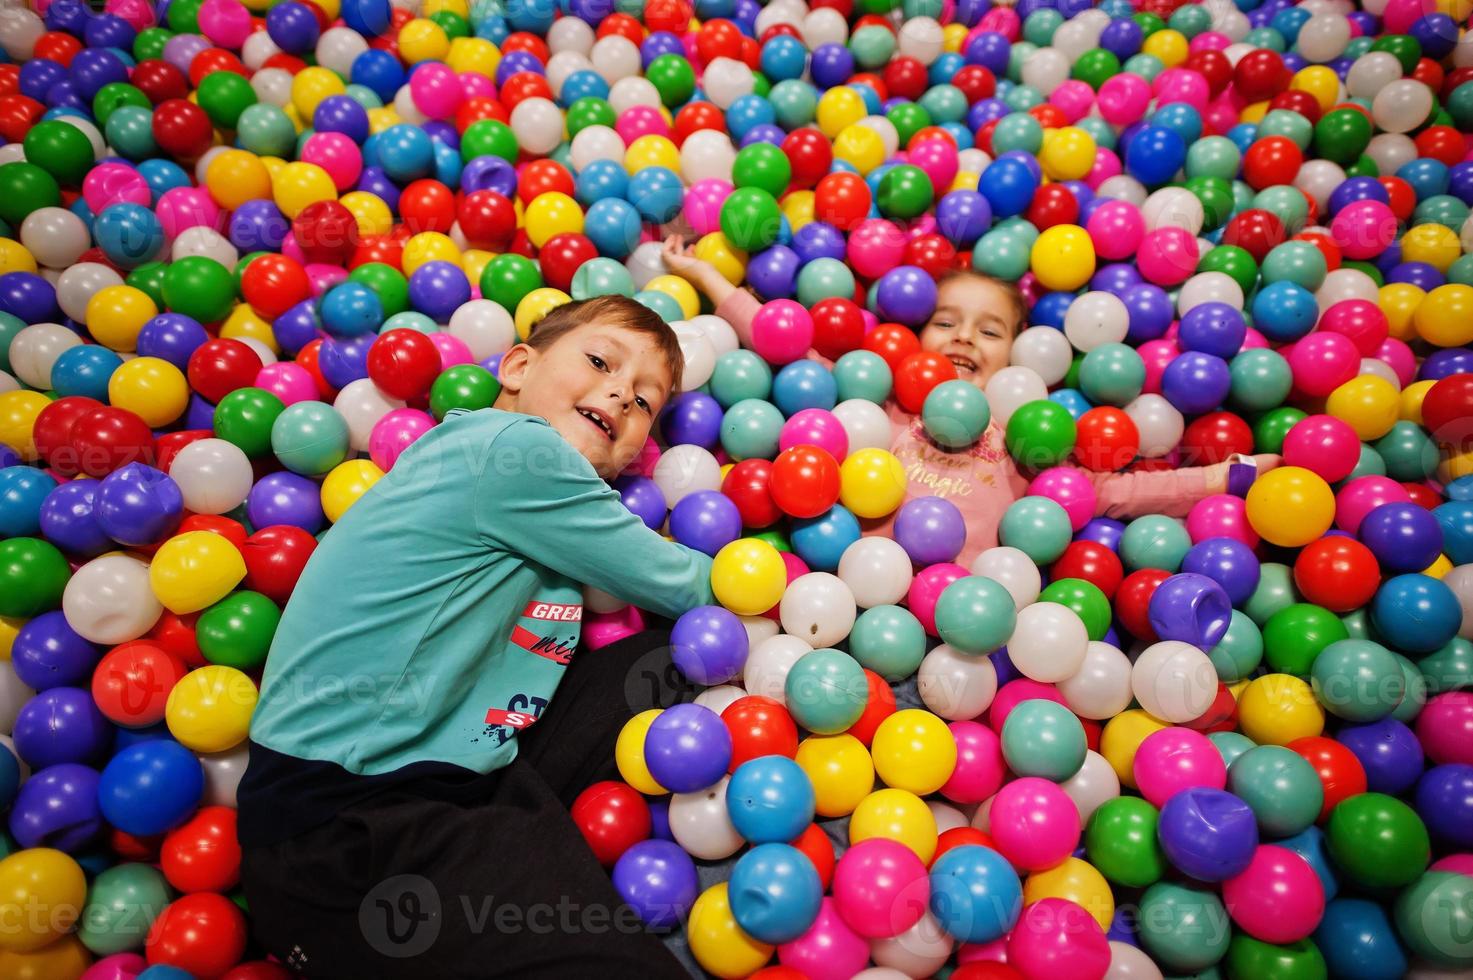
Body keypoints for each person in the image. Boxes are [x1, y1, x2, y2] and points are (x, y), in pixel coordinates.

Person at [238, 295, 711, 979]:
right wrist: (793, 586)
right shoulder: (514, 452)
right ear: (517, 365)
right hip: (346, 826)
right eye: (602, 361)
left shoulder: (509, 466)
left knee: (680, 653)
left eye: (643, 402)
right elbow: (688, 585)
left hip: (467, 766)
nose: (618, 392)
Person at [663, 235, 1279, 566]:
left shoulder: (1023, 435)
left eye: (989, 331)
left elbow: (1111, 491)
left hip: (962, 621)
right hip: (834, 589)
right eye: (945, 322)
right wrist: (709, 278)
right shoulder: (877, 401)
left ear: (1020, 357)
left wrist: (1232, 477)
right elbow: (789, 350)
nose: (963, 336)